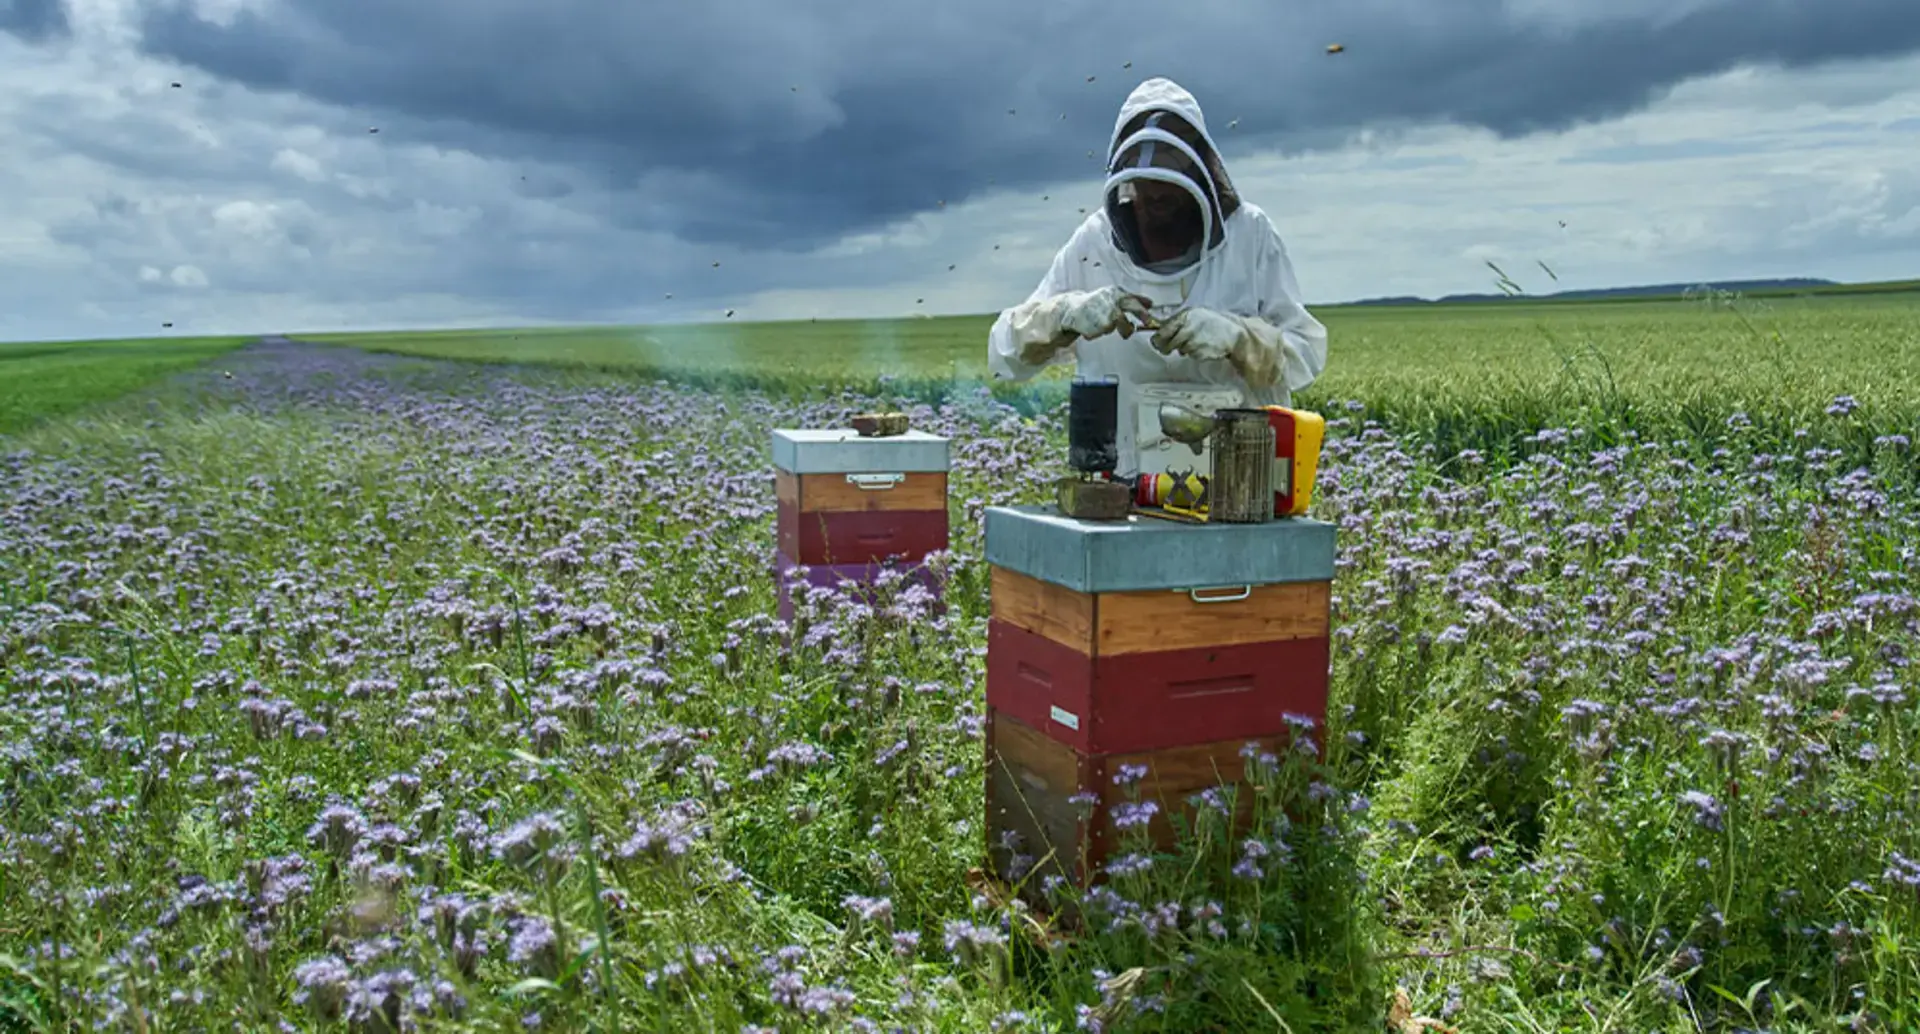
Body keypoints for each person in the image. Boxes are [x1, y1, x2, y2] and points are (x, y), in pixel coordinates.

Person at [987, 77, 1328, 478]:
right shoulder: (1094, 244)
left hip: (1237, 490)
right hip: (1123, 490)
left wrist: (1240, 338)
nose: (1155, 201)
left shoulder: (1249, 236)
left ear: (1200, 175)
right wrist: (1064, 316)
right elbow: (1003, 357)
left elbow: (1306, 355)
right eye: (1145, 190)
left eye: (1168, 188)